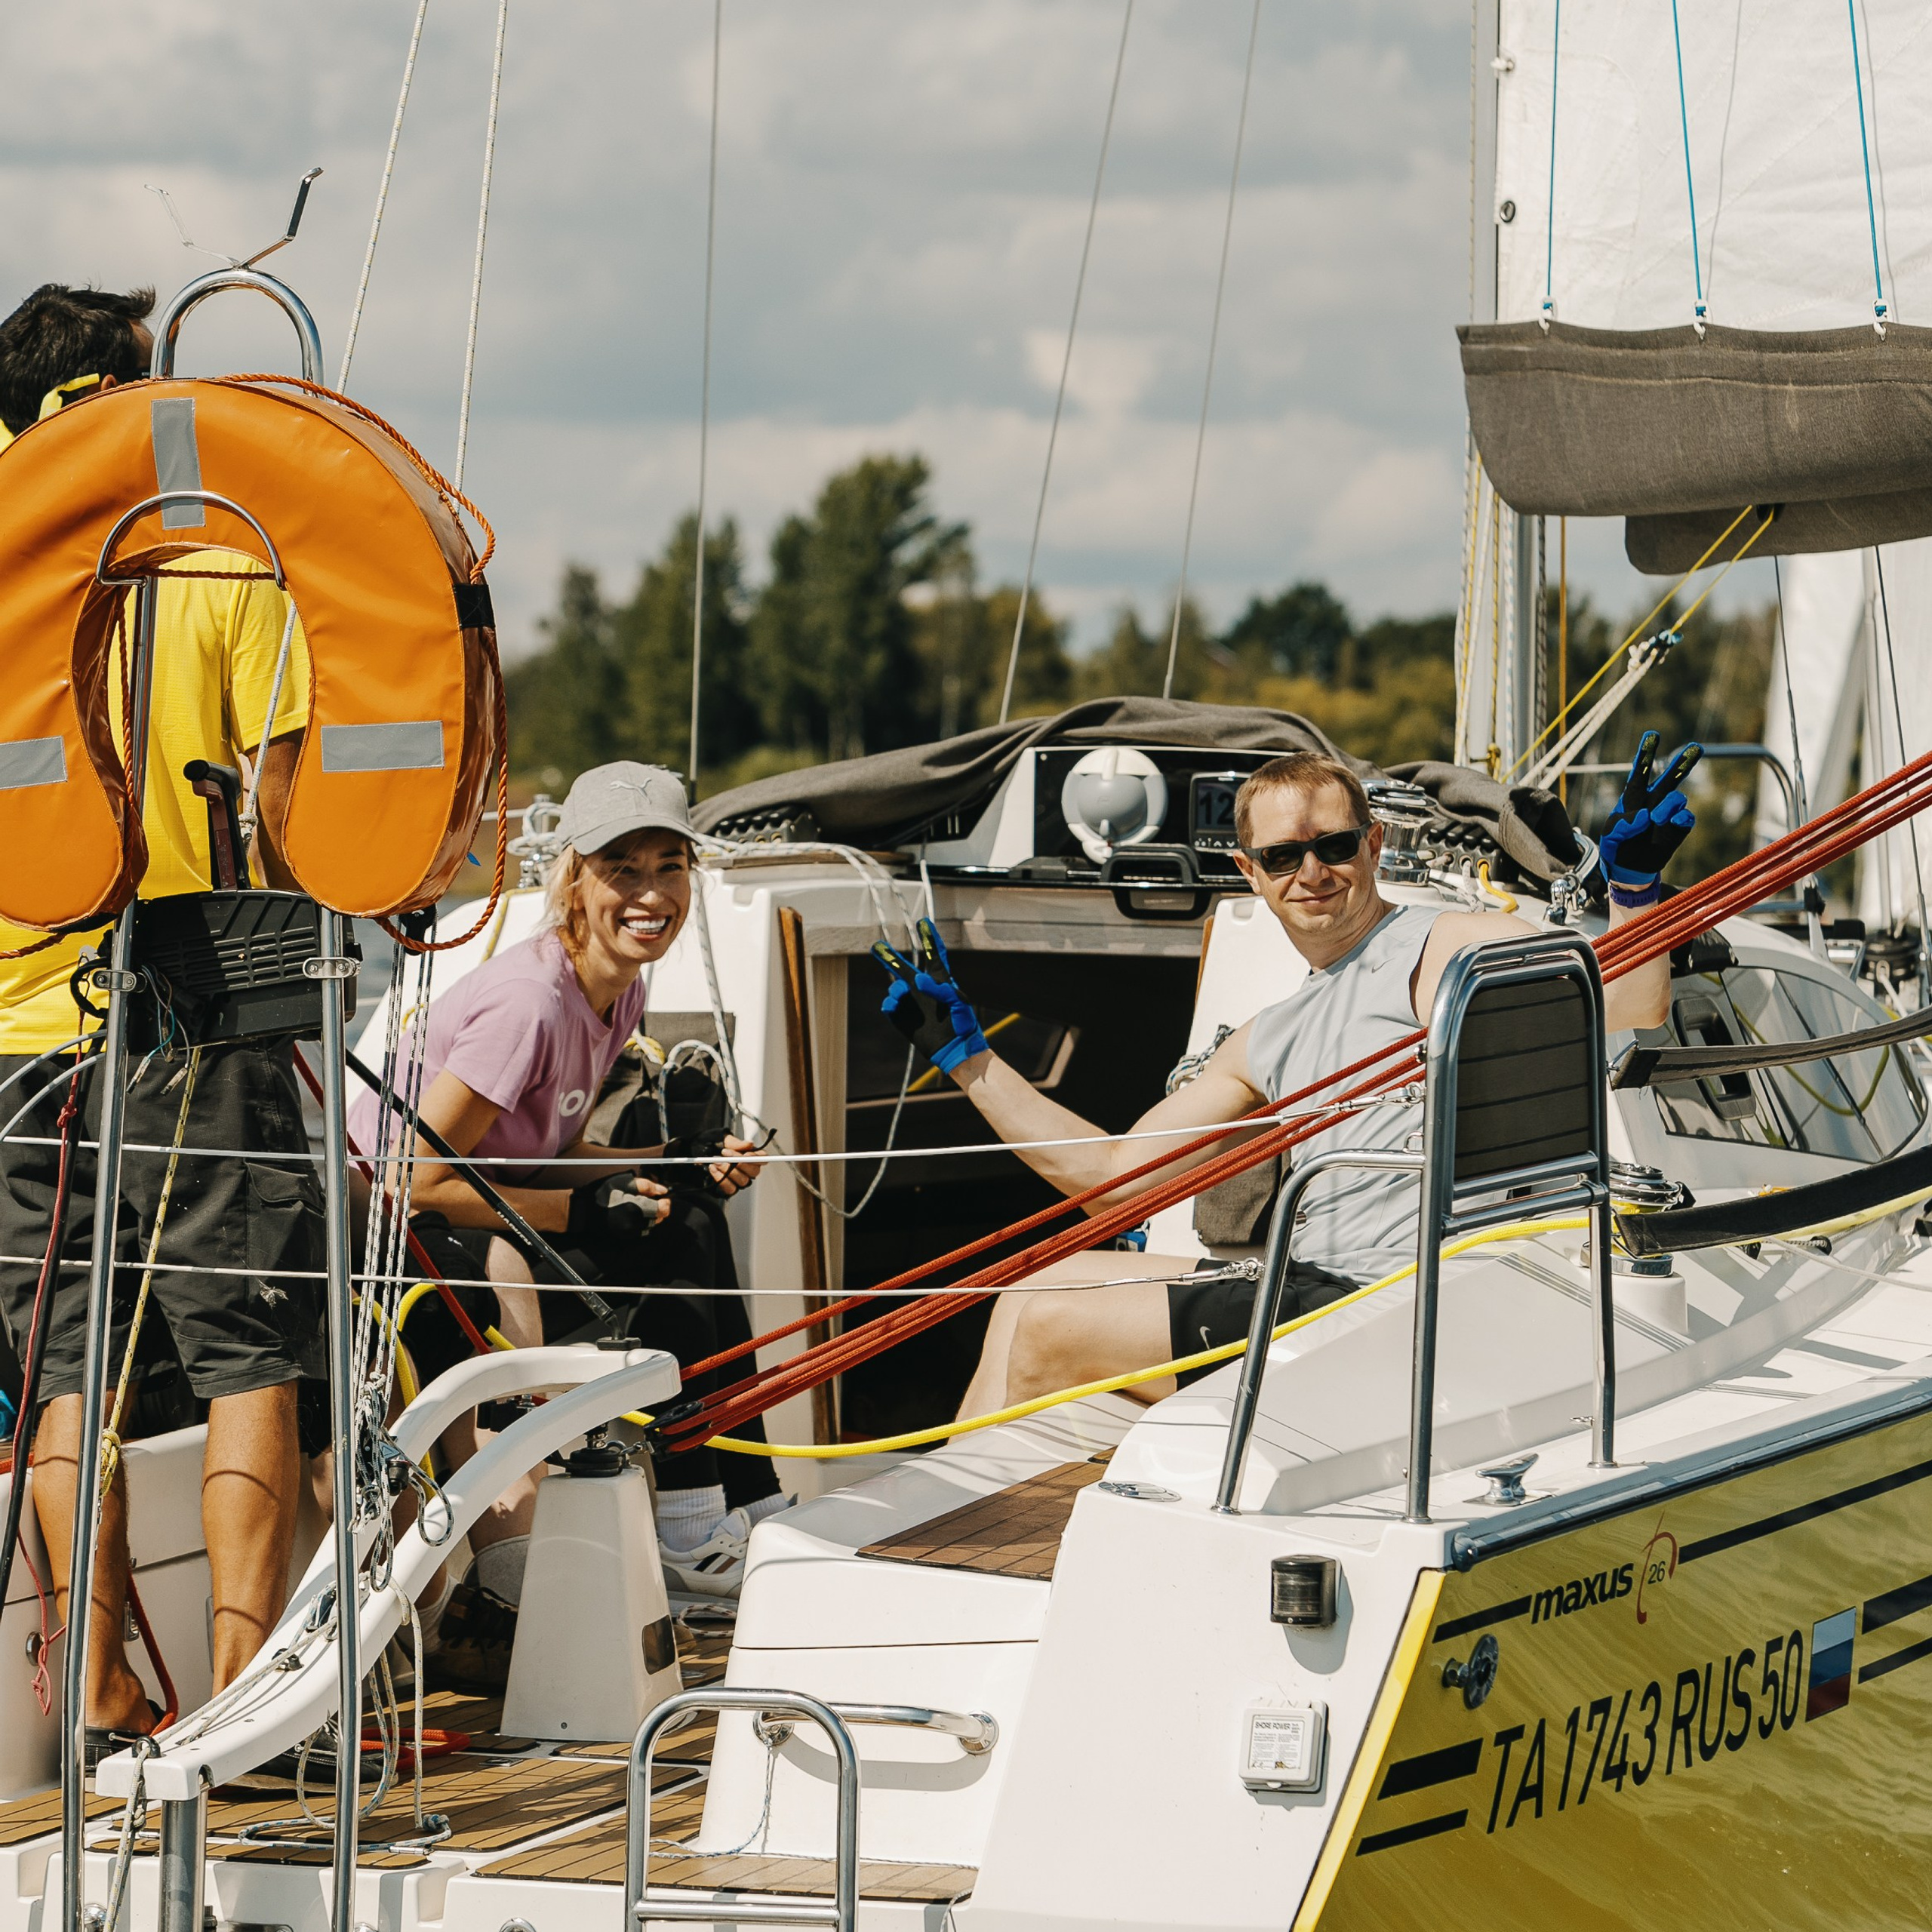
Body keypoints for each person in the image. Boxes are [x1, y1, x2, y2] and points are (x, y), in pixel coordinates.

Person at [875, 743, 1687, 1417]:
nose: (1312, 871)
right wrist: (966, 1058)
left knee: (1049, 1328)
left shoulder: (1441, 949)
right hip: (1313, 1288)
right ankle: (945, 1506)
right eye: (1281, 856)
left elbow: (1631, 999)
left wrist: (1634, 892)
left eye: (1333, 846)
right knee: (1030, 1291)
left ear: (1372, 848)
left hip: (1389, 1305)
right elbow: (1115, 1182)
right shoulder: (1269, 1034)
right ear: (1250, 871)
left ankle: (978, 1559)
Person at [0, 281, 325, 1760]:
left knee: (68, 1365)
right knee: (246, 1342)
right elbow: (282, 799)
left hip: (12, 1016)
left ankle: (103, 1687)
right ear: (145, 390)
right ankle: (249, 1701)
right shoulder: (229, 563)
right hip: (203, 991)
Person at [349, 759, 785, 1642]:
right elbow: (405, 1176)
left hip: (477, 1212)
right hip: (404, 1250)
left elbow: (543, 1147)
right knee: (675, 1241)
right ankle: (698, 1533)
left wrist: (677, 1161)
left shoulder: (615, 986)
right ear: (574, 879)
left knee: (690, 1212)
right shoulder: (531, 1005)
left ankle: (744, 1501)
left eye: (670, 867)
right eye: (624, 868)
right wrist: (578, 1215)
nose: (651, 893)